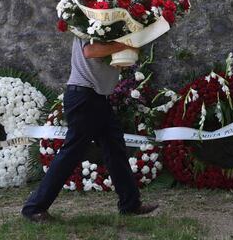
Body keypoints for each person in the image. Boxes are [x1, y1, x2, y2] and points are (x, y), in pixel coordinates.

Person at [21, 37, 158, 222]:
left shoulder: (107, 21)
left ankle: (130, 204)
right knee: (72, 152)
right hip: (84, 97)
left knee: (114, 148)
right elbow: (90, 51)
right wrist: (125, 45)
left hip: (95, 97)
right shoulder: (92, 17)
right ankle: (34, 208)